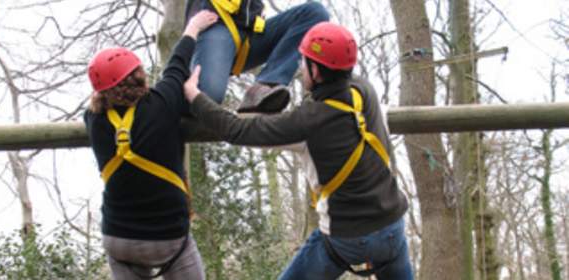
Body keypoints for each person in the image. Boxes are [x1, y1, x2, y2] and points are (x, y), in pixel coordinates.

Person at [183, 22, 414, 279]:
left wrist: (196, 97)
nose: (301, 68)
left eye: (303, 62)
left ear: (315, 70)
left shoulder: (307, 122)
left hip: (346, 239)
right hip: (392, 227)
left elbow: (236, 130)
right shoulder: (366, 91)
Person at [83, 10, 218, 280]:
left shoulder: (93, 119)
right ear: (139, 75)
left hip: (117, 238)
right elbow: (177, 64)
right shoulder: (163, 103)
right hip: (167, 237)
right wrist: (193, 27)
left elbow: (100, 103)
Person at [184, 0, 329, 113]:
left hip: (252, 33)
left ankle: (265, 87)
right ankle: (175, 104)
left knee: (315, 13)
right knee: (206, 101)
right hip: (215, 23)